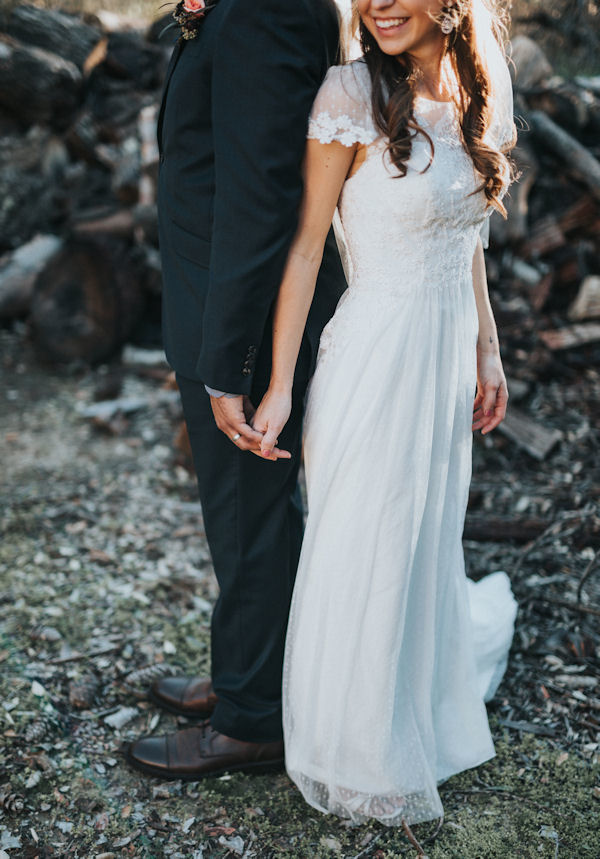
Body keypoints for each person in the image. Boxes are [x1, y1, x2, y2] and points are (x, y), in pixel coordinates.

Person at [249, 0, 519, 826]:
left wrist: (487, 346)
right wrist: (281, 387)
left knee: (422, 536)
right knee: (368, 543)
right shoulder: (348, 94)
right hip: (373, 356)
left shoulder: (472, 94)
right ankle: (360, 751)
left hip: (441, 359)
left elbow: (464, 236)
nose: (379, 4)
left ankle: (415, 709)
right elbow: (304, 246)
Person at [125, 0, 347, 779]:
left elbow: (262, 199)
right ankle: (248, 674)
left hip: (243, 324)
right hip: (214, 304)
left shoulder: (267, 12)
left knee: (251, 519)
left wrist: (231, 360)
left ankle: (253, 719)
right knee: (243, 519)